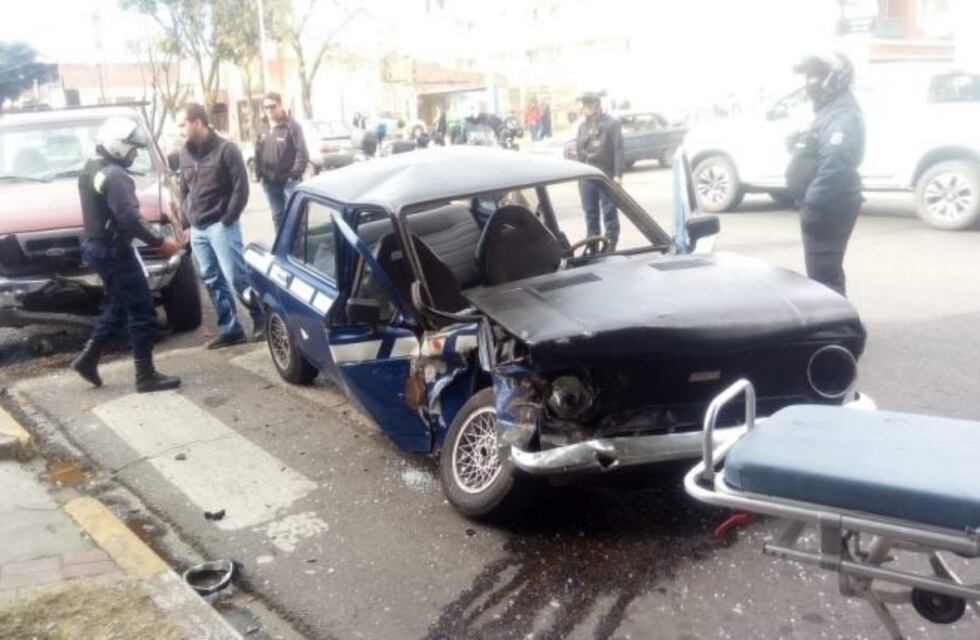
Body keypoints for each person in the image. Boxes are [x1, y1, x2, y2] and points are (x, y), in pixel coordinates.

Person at [70, 116, 182, 393]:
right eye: (132, 149)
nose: (134, 154)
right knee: (143, 310)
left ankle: (89, 358)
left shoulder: (92, 167)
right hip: (114, 252)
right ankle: (145, 375)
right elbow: (130, 218)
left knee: (121, 304)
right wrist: (160, 242)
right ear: (118, 146)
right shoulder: (115, 175)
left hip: (98, 248)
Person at [176, 103, 265, 348]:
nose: (180, 130)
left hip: (221, 225)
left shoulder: (227, 150)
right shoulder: (184, 152)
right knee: (212, 279)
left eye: (182, 124)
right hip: (198, 228)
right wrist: (187, 219)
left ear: (198, 122)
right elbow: (184, 187)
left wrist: (228, 218)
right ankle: (230, 328)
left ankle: (261, 320)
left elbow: (241, 188)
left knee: (236, 277)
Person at [785, 51, 865, 297]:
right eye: (808, 76)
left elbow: (836, 165)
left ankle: (839, 332)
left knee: (825, 277)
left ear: (836, 77)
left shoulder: (843, 114)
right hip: (824, 205)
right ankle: (835, 326)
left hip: (829, 206)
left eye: (817, 75)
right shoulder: (830, 110)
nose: (810, 82)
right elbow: (822, 150)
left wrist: (813, 204)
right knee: (822, 273)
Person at [575, 92, 625, 251]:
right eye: (584, 104)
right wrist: (579, 176)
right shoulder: (583, 126)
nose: (586, 108)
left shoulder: (612, 123)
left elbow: (619, 149)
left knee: (609, 211)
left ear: (597, 104)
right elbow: (578, 150)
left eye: (590, 104)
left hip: (606, 174)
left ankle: (611, 243)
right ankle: (592, 245)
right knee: (590, 214)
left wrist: (618, 175)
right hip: (587, 176)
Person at [254, 92, 308, 232]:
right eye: (266, 107)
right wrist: (258, 173)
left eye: (273, 106)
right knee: (277, 217)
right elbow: (258, 151)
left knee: (295, 217)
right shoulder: (262, 126)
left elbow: (302, 152)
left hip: (289, 182)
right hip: (270, 183)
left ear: (280, 105)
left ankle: (297, 250)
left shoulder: (292, 126)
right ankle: (281, 250)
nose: (269, 110)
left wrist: (294, 174)